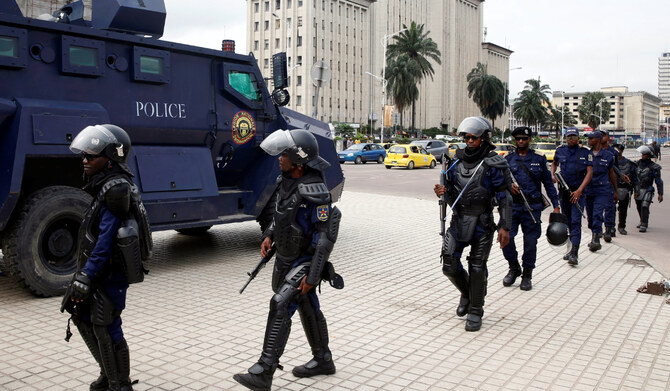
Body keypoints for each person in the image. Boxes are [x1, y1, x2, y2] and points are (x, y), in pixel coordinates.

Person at [234, 129, 342, 391]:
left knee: (280, 304)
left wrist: (313, 275)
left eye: (285, 153)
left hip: (303, 262)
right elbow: (282, 214)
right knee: (307, 306)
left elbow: (325, 239)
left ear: (298, 158)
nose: (280, 158)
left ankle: (264, 371)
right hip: (284, 257)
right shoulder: (287, 181)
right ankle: (323, 359)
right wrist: (270, 234)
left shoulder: (315, 191)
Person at [62, 124, 152, 391]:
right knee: (82, 316)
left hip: (109, 273)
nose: (85, 159)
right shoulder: (106, 184)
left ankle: (120, 384)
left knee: (108, 326)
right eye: (85, 155)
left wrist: (87, 275)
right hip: (100, 270)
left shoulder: (115, 190)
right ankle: (107, 373)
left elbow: (105, 241)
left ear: (111, 157)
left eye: (92, 155)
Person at [434, 116, 512, 332]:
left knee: (477, 267)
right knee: (449, 265)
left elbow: (505, 197)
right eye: (466, 137)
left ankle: (476, 310)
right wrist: (443, 192)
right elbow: (452, 196)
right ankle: (468, 293)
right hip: (458, 220)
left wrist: (505, 226)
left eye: (474, 138)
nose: (469, 141)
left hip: (482, 222)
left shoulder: (493, 163)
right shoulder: (455, 161)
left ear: (484, 139)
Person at [501, 127, 560, 291]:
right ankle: (514, 267)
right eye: (518, 138)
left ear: (529, 140)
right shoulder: (508, 159)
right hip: (512, 207)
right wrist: (508, 185)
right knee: (506, 240)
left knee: (530, 243)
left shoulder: (539, 159)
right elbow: (498, 182)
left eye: (524, 139)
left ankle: (527, 274)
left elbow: (548, 184)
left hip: (532, 208)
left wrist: (556, 205)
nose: (521, 141)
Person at [551, 128, 593, 265]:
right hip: (564, 191)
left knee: (575, 221)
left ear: (578, 138)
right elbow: (554, 164)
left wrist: (580, 190)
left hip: (578, 192)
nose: (571, 139)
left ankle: (575, 252)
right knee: (567, 221)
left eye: (574, 136)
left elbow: (589, 172)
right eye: (569, 137)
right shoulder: (560, 151)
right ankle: (569, 249)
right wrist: (552, 174)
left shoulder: (585, 152)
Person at [584, 131, 618, 252]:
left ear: (598, 140)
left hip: (602, 190)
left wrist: (615, 190)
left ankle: (595, 239)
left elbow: (611, 174)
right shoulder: (585, 154)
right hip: (588, 190)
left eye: (591, 138)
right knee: (590, 217)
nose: (588, 141)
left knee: (597, 213)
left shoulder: (608, 155)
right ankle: (595, 233)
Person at [634, 146, 664, 232]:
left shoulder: (654, 167)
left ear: (649, 155)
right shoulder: (636, 164)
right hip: (638, 189)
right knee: (639, 206)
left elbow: (658, 181)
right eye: (642, 154)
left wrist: (660, 193)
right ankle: (642, 219)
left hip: (648, 189)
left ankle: (644, 223)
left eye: (645, 154)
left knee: (645, 205)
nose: (643, 156)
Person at [612, 144, 636, 235]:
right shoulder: (610, 162)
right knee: (611, 209)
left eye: (618, 150)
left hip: (624, 189)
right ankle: (611, 227)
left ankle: (622, 226)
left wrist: (635, 190)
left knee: (623, 210)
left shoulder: (629, 164)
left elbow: (634, 178)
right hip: (612, 189)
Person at [600, 130, 619, 242]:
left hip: (609, 183)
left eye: (603, 135)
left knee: (610, 207)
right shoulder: (593, 151)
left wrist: (616, 188)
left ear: (608, 137)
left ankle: (609, 229)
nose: (601, 138)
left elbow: (615, 170)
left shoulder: (613, 153)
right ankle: (597, 232)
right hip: (596, 183)